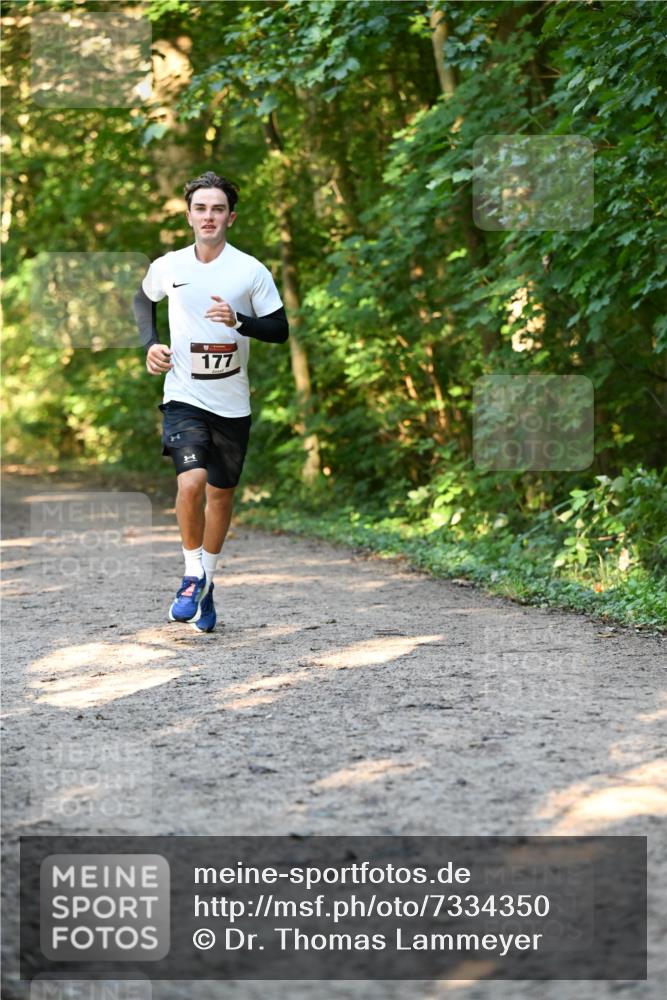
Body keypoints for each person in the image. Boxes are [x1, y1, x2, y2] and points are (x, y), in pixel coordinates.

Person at [133, 171, 288, 632]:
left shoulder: (250, 270)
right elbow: (143, 300)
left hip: (232, 403)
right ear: (189, 216)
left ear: (230, 217)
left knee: (221, 494)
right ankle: (189, 574)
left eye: (217, 209)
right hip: (184, 395)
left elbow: (279, 330)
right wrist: (150, 344)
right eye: (200, 208)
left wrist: (241, 322)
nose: (209, 216)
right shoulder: (169, 266)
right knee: (191, 482)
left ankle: (207, 582)